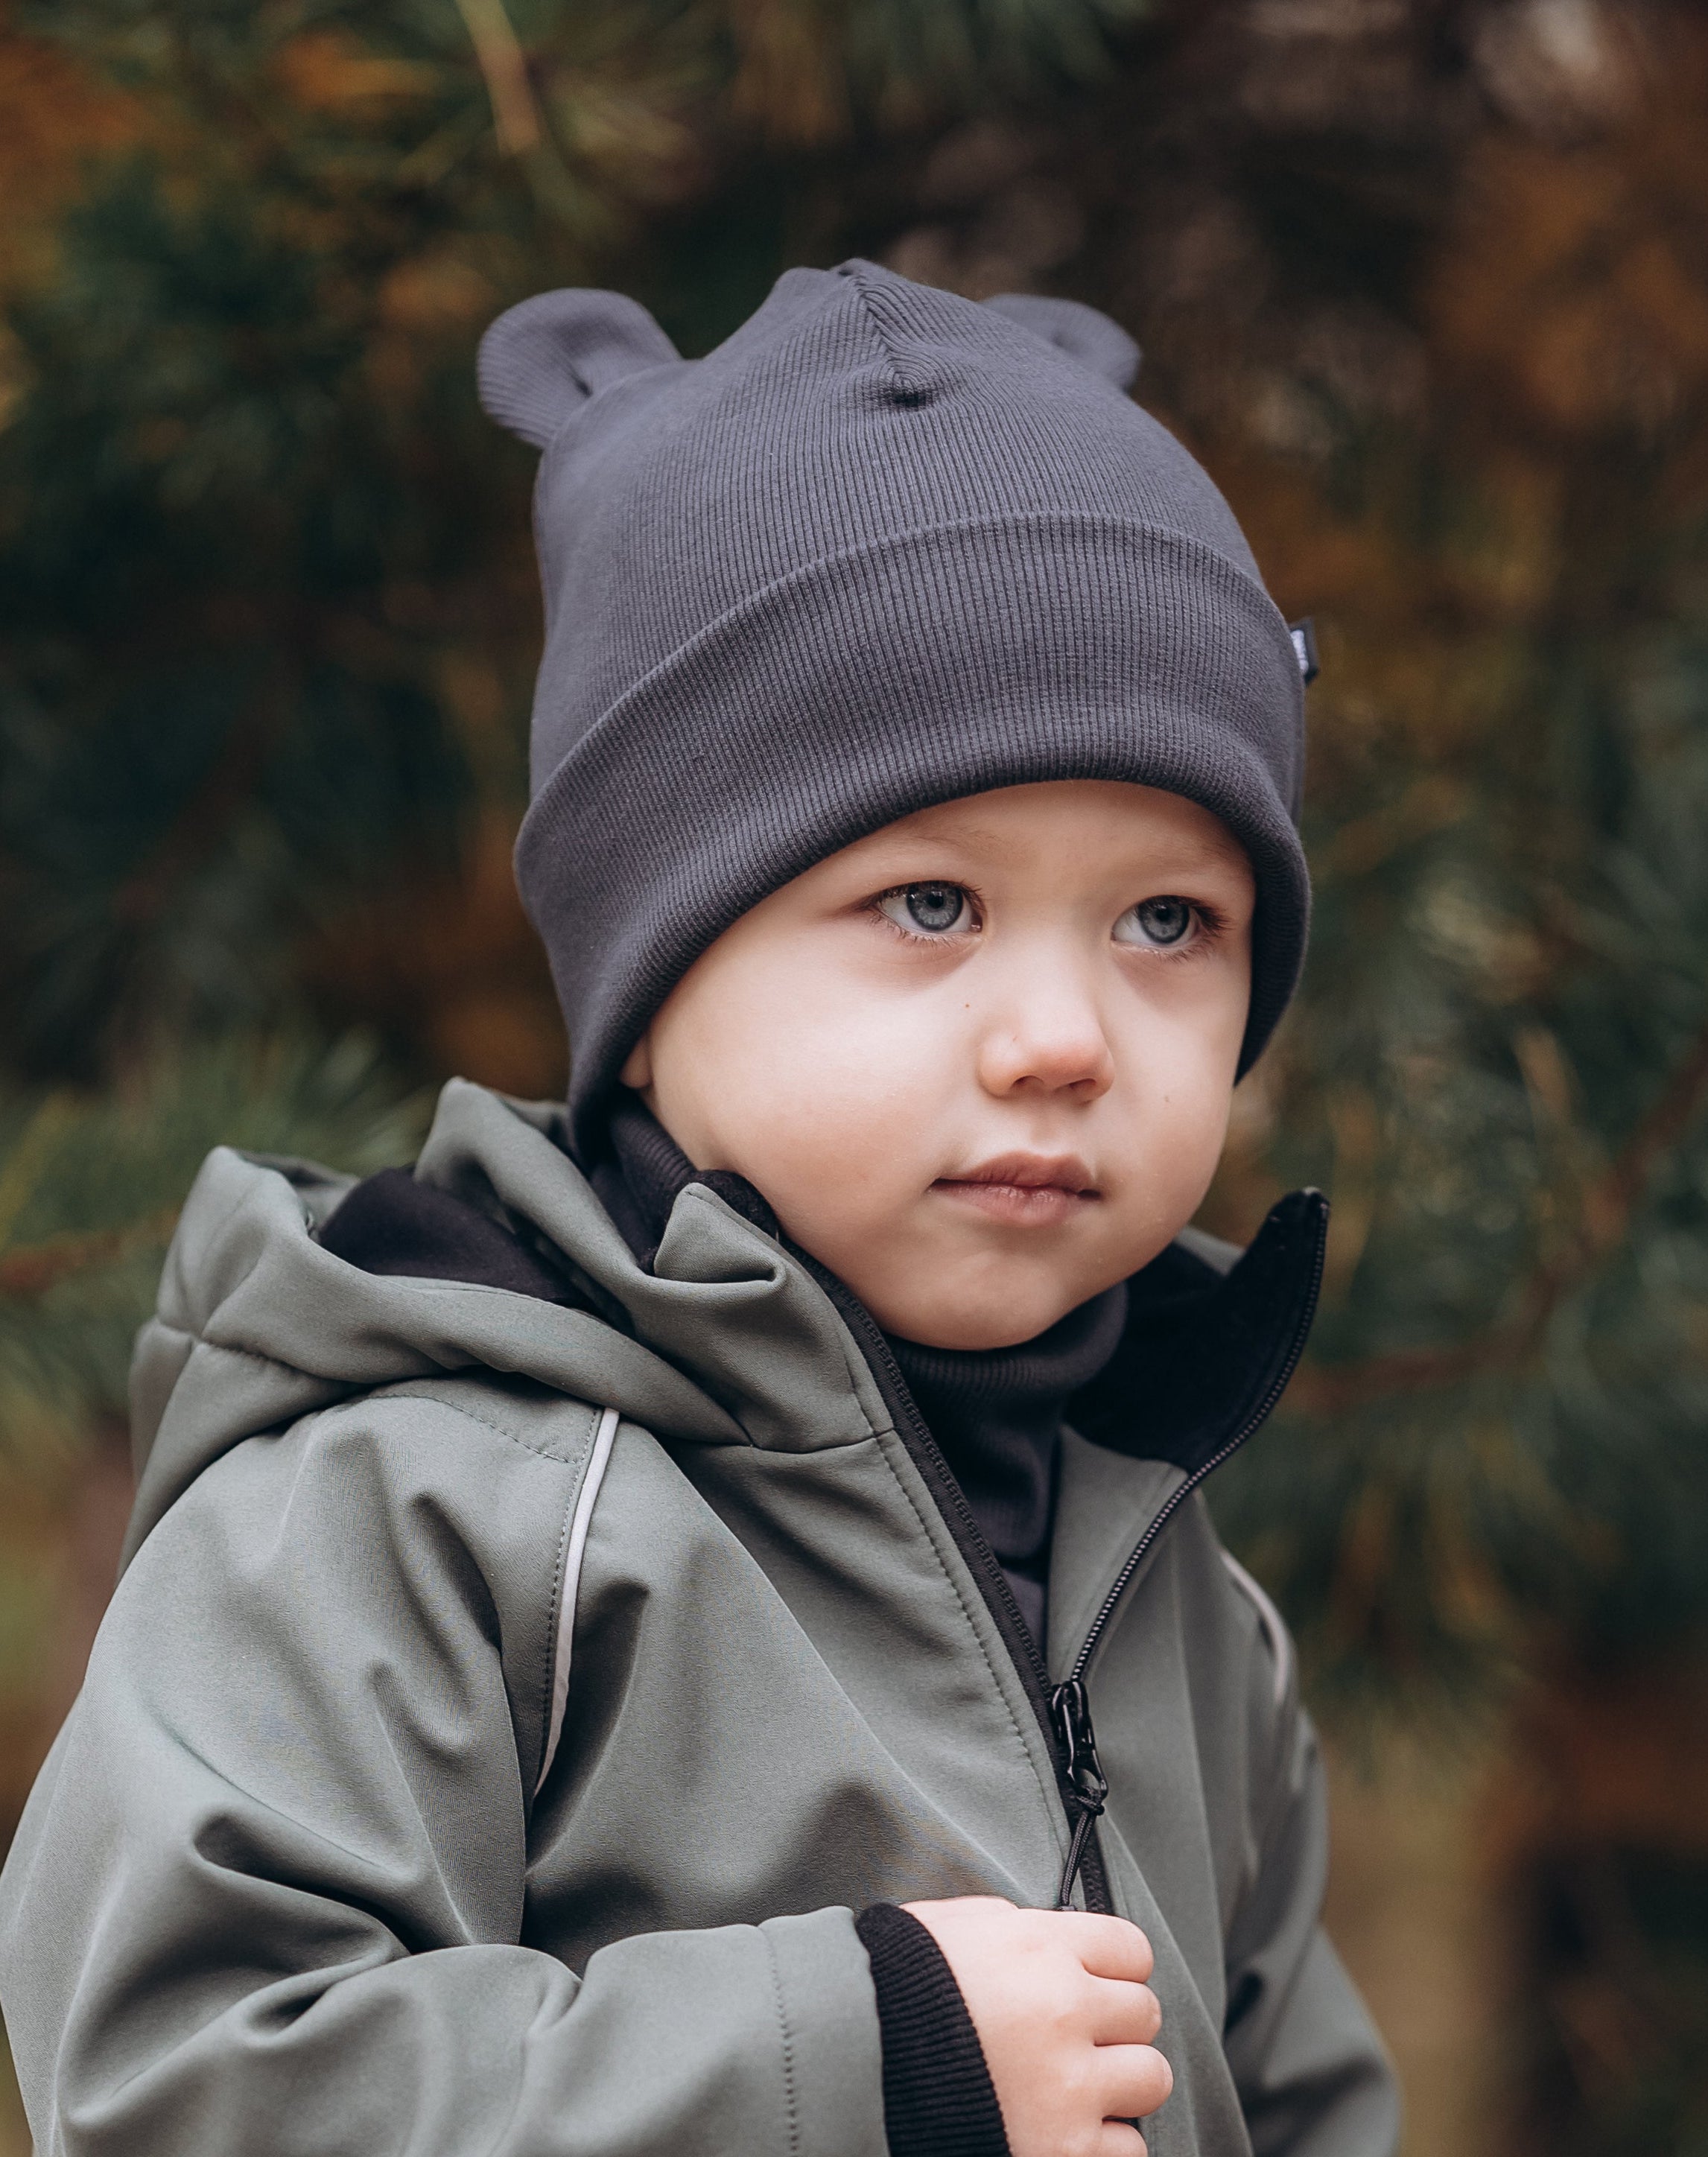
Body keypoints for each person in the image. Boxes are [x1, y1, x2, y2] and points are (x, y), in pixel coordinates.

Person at [0, 261, 1399, 2157]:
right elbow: (183, 2074)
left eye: (1169, 919)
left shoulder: (1171, 1582)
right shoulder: (417, 1508)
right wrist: (858, 2052)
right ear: (654, 984)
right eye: (930, 903)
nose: (1064, 1035)